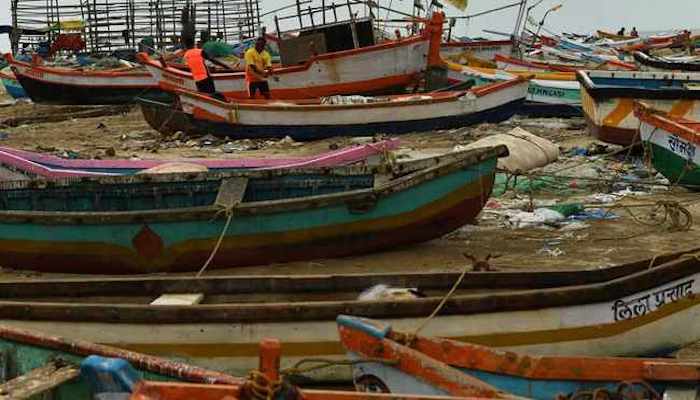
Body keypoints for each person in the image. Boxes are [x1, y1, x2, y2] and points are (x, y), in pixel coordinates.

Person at [182, 34, 227, 100]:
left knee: (204, 97)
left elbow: (187, 68)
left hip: (197, 80)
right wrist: (226, 66)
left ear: (185, 46)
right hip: (206, 77)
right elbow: (213, 60)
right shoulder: (200, 51)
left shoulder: (185, 56)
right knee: (213, 94)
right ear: (193, 44)